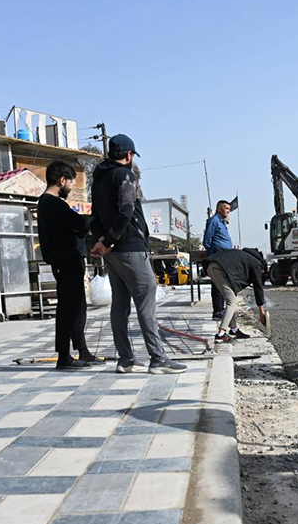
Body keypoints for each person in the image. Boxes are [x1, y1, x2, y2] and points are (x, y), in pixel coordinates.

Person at [89, 134, 186, 375]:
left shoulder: (98, 181)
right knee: (146, 301)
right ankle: (158, 358)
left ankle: (126, 359)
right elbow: (126, 211)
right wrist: (110, 240)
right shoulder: (124, 175)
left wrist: (102, 242)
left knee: (119, 306)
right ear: (129, 155)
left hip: (112, 254)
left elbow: (95, 217)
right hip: (130, 247)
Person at [38, 159, 97, 370]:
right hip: (65, 260)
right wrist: (94, 218)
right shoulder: (52, 204)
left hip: (69, 259)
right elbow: (79, 224)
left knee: (77, 305)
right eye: (71, 183)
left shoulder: (50, 204)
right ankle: (64, 355)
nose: (71, 188)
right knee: (68, 307)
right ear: (62, 180)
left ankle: (82, 350)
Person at [206, 247, 267, 343]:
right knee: (232, 302)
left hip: (212, 267)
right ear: (263, 268)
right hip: (219, 270)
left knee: (231, 299)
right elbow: (258, 288)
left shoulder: (246, 257)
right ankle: (221, 334)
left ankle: (234, 330)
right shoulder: (257, 265)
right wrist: (261, 312)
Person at [203, 200, 234, 320]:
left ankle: (222, 308)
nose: (228, 211)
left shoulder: (223, 222)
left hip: (225, 255)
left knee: (223, 282)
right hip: (218, 255)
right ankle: (217, 310)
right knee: (217, 283)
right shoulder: (214, 221)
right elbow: (207, 240)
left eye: (229, 209)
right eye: (226, 208)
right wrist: (212, 254)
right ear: (218, 209)